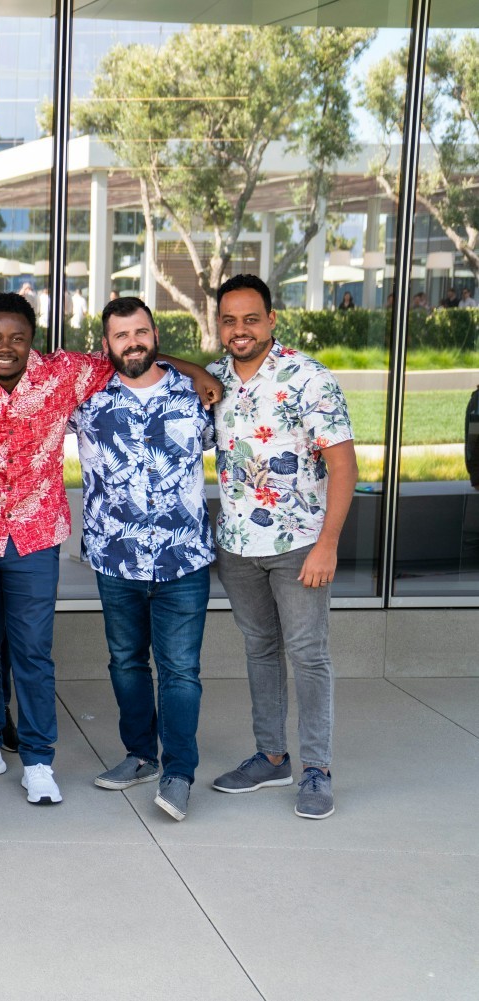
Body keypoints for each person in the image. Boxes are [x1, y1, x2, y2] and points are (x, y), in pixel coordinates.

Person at [0, 293, 221, 804]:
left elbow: (135, 356)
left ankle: (38, 758)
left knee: (33, 651)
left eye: (17, 336)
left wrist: (194, 370)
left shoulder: (65, 375)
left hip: (35, 537)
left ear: (33, 338)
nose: (5, 347)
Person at [206, 274, 355, 821]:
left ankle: (317, 768)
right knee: (259, 649)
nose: (239, 329)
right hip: (239, 545)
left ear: (271, 320)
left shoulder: (308, 377)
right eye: (228, 320)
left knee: (309, 654)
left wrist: (327, 545)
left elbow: (343, 465)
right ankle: (271, 756)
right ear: (218, 325)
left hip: (299, 545)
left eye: (250, 319)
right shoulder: (216, 379)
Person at [71, 297, 215, 821]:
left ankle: (178, 773)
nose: (132, 342)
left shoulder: (196, 393)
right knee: (127, 664)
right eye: (120, 335)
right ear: (105, 343)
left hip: (184, 560)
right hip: (117, 558)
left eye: (140, 332)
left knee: (180, 671)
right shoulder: (87, 399)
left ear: (155, 334)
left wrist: (192, 368)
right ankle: (139, 756)